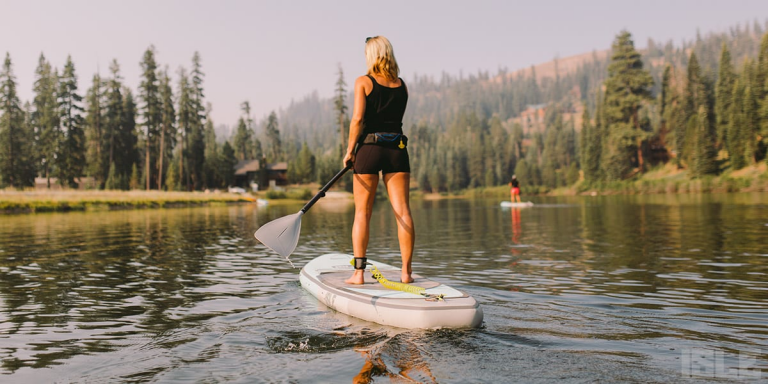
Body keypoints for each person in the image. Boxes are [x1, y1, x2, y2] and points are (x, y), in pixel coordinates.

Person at [343, 36, 414, 285]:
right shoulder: (402, 85)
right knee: (402, 211)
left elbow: (357, 120)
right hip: (397, 149)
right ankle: (406, 273)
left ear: (371, 55)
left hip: (370, 149)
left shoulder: (363, 82)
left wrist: (350, 150)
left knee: (362, 212)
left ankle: (359, 273)